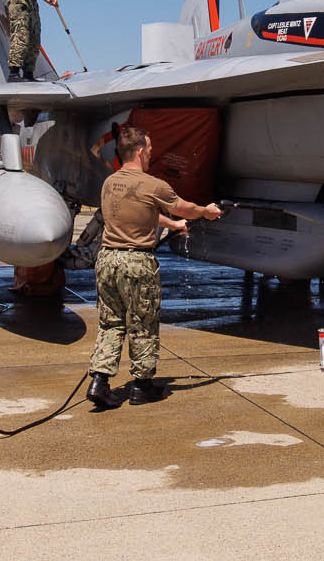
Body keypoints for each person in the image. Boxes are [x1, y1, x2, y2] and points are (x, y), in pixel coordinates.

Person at [86, 125, 224, 410]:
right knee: (143, 325)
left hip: (107, 260)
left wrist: (172, 225)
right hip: (137, 263)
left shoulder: (110, 183)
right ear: (138, 151)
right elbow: (184, 208)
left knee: (110, 323)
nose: (151, 155)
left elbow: (142, 211)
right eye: (149, 150)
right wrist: (205, 212)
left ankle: (99, 381)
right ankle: (142, 386)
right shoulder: (153, 185)